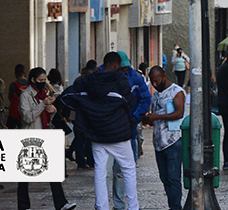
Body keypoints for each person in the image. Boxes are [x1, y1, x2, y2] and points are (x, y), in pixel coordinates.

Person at [59, 51, 138, 210]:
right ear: (116, 65)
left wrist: (78, 115)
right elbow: (131, 103)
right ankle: (133, 207)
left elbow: (66, 96)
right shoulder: (120, 81)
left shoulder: (87, 81)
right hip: (118, 134)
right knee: (128, 170)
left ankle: (102, 207)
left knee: (100, 173)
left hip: (96, 134)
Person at [18, 66, 77, 210]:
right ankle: (23, 205)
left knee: (53, 170)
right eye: (40, 80)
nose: (43, 82)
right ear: (33, 80)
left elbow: (46, 117)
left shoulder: (43, 93)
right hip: (31, 136)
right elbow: (27, 117)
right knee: (25, 173)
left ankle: (61, 203)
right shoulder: (26, 95)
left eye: (44, 80)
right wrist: (42, 105)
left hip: (45, 134)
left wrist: (52, 110)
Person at [111, 51, 150, 210]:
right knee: (107, 173)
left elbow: (145, 99)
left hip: (129, 130)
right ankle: (113, 205)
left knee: (126, 171)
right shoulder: (104, 77)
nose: (125, 71)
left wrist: (135, 117)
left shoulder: (136, 78)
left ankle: (125, 205)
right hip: (109, 130)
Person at [143, 66, 185, 210]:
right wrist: (148, 119)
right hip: (159, 142)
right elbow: (155, 116)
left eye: (157, 81)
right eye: (152, 82)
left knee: (174, 178)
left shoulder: (176, 92)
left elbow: (180, 113)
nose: (154, 85)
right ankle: (172, 205)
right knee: (165, 178)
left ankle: (175, 207)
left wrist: (157, 117)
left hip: (173, 141)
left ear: (164, 77)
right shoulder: (156, 95)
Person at [7, 63, 28, 129]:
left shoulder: (13, 85)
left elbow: (10, 98)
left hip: (15, 113)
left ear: (15, 73)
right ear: (24, 73)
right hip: (27, 112)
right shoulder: (30, 85)